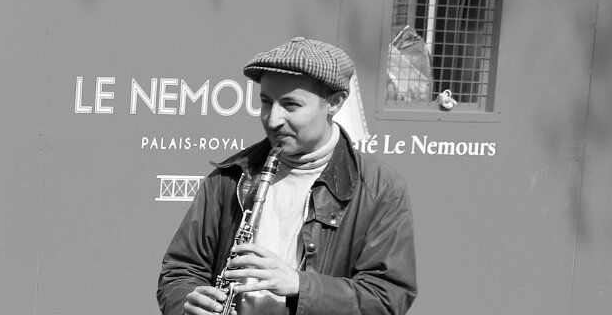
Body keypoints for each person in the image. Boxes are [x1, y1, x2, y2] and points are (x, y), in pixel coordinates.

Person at [157, 37, 418, 315]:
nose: (273, 120)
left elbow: (388, 298)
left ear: (334, 103)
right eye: (266, 102)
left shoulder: (380, 189)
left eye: (291, 105)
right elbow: (179, 272)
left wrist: (300, 285)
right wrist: (189, 303)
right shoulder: (230, 177)